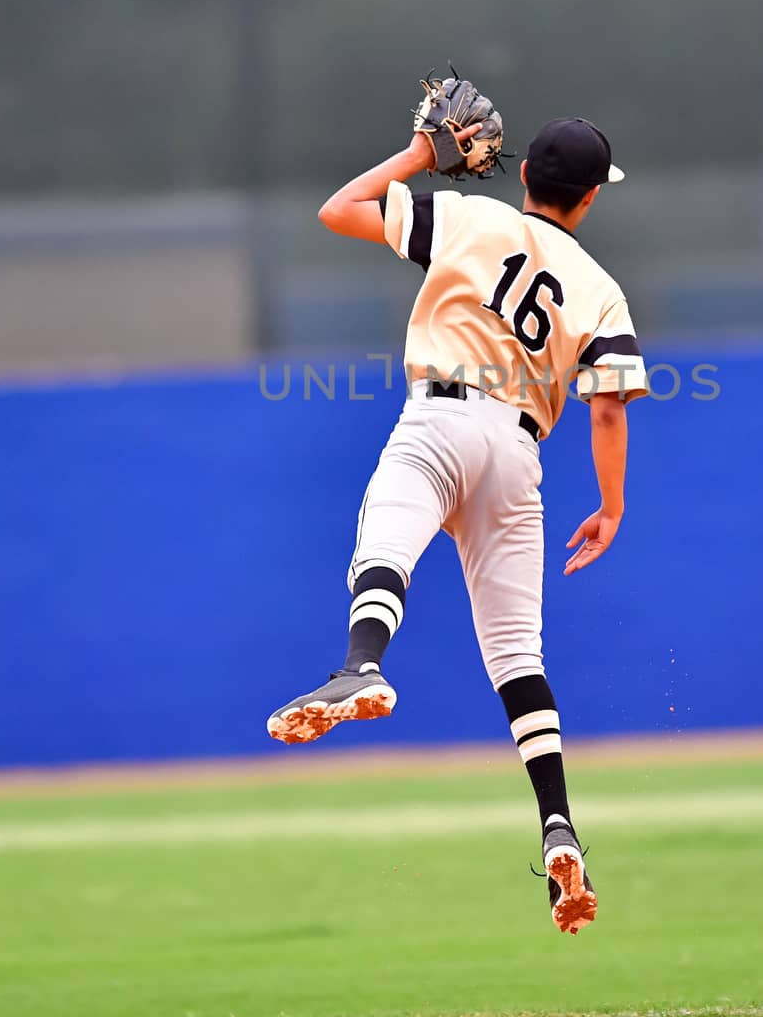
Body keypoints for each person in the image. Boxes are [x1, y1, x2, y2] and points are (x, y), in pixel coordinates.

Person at [265, 111, 646, 935]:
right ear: (586, 201)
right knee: (518, 656)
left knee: (386, 544)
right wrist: (612, 506)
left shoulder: (472, 216)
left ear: (522, 178)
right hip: (518, 454)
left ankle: (363, 666)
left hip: (441, 414)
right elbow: (608, 408)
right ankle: (557, 825)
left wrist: (418, 156)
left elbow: (341, 209)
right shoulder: (601, 287)